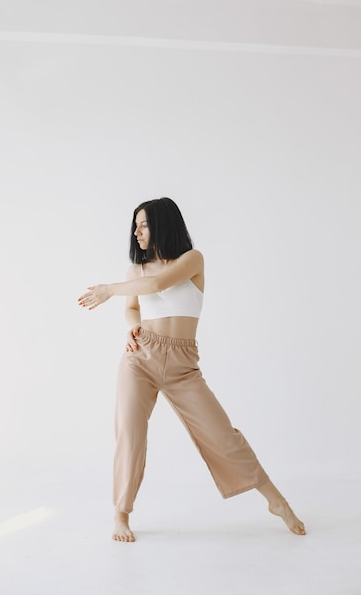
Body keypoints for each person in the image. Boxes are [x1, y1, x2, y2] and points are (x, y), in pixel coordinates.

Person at [78, 197, 306, 542]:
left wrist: (108, 289)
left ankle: (276, 502)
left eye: (144, 224)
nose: (137, 232)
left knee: (222, 435)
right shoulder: (135, 271)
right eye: (135, 225)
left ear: (163, 224)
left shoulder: (192, 260)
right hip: (141, 358)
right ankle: (121, 515)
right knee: (130, 434)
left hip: (183, 365)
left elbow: (159, 285)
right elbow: (133, 307)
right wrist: (133, 326)